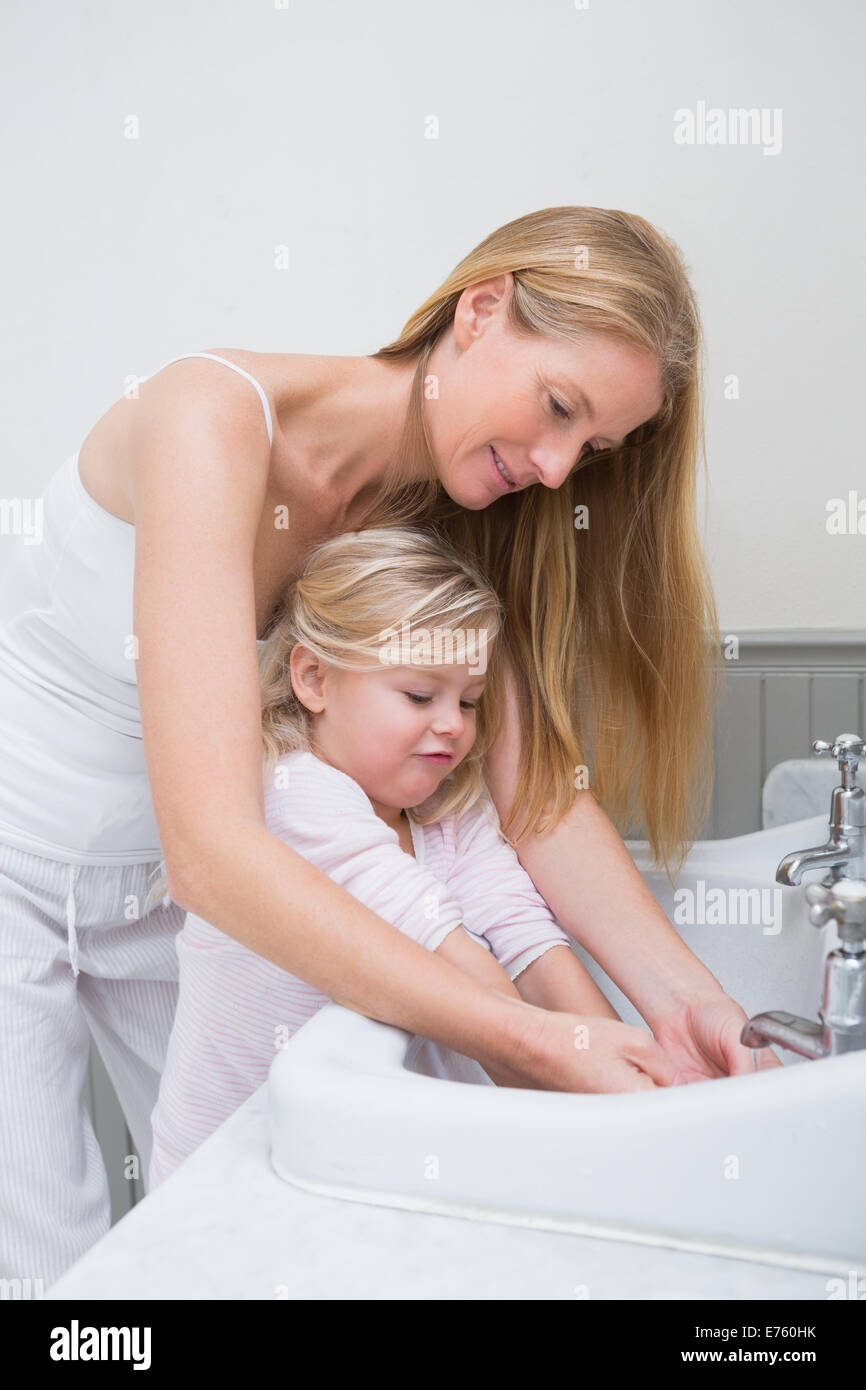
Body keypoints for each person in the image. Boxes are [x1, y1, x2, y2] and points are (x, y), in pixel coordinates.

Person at [0, 205, 779, 1289]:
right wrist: (538, 1043)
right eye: (557, 407)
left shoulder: (447, 518)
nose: (557, 469)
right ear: (480, 309)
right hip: (34, 870)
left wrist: (691, 1006)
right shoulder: (207, 420)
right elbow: (214, 850)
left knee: (231, 1241)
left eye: (590, 447)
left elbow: (533, 800)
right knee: (47, 1270)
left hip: (187, 910)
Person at [147, 526, 694, 1186]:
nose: (454, 726)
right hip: (233, 1181)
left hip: (358, 1163)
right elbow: (472, 983)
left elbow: (531, 949)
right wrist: (625, 1134)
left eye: (468, 700)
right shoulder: (292, 797)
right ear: (314, 679)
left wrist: (651, 1104)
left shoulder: (445, 804)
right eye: (418, 696)